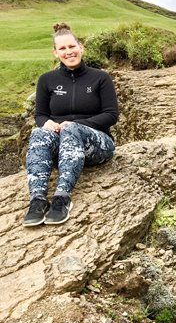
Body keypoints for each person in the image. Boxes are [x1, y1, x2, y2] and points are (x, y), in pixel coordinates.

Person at [23, 22, 118, 226]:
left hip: (97, 144)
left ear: (81, 47)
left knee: (72, 128)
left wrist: (73, 124)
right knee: (39, 133)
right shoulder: (46, 80)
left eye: (72, 47)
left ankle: (62, 199)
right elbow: (40, 115)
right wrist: (47, 123)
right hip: (62, 146)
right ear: (55, 52)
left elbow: (111, 115)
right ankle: (38, 201)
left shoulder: (100, 78)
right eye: (62, 49)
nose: (69, 52)